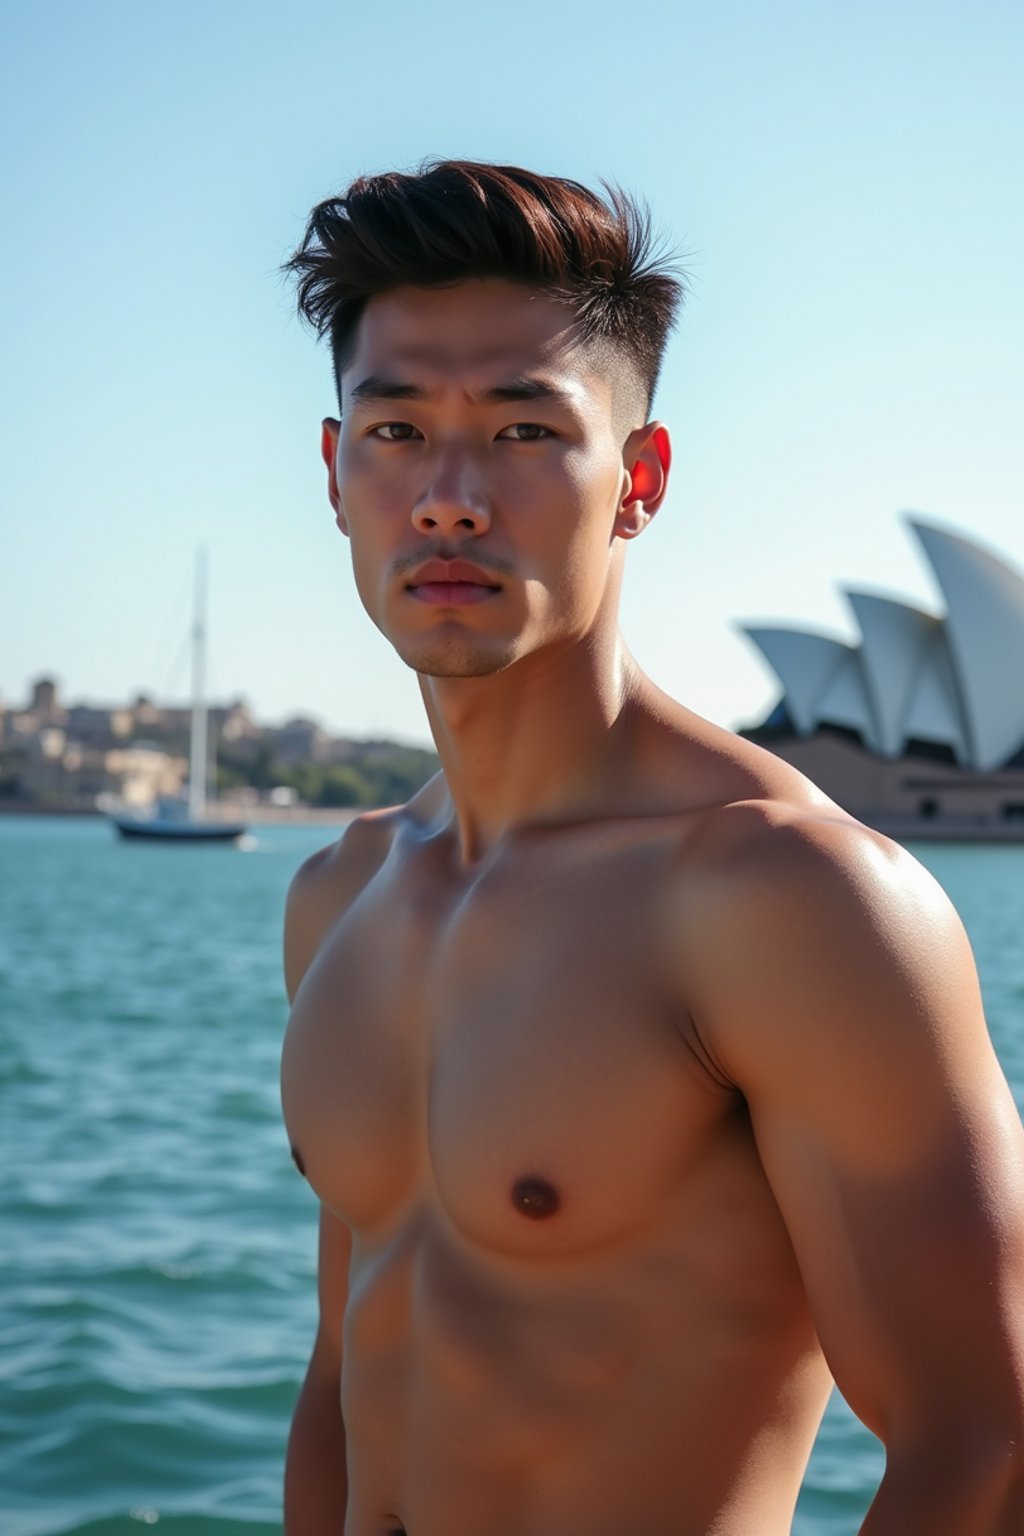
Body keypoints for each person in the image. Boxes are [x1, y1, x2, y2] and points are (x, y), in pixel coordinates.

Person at [278, 160, 1024, 1536]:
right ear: (335, 474)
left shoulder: (787, 898)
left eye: (520, 432)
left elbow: (985, 1443)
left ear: (640, 478)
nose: (447, 497)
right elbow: (345, 1382)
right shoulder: (340, 895)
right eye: (394, 431)